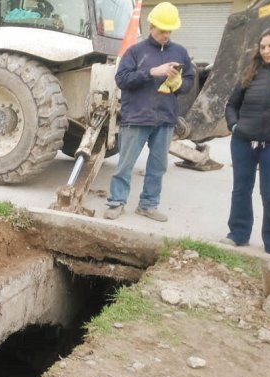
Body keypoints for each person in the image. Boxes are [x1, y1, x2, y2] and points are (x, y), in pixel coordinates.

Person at [104, 2, 193, 222]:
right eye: (162, 30)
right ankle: (116, 202)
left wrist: (178, 83)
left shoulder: (180, 52)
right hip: (136, 116)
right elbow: (122, 79)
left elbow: (190, 81)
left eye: (169, 30)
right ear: (151, 25)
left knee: (158, 166)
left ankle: (148, 205)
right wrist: (151, 72)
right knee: (125, 164)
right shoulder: (135, 52)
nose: (166, 35)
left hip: (165, 118)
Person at [221, 27, 270, 254]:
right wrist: (234, 126)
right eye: (263, 46)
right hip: (243, 141)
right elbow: (231, 105)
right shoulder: (251, 71)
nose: (266, 51)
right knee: (241, 189)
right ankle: (238, 234)